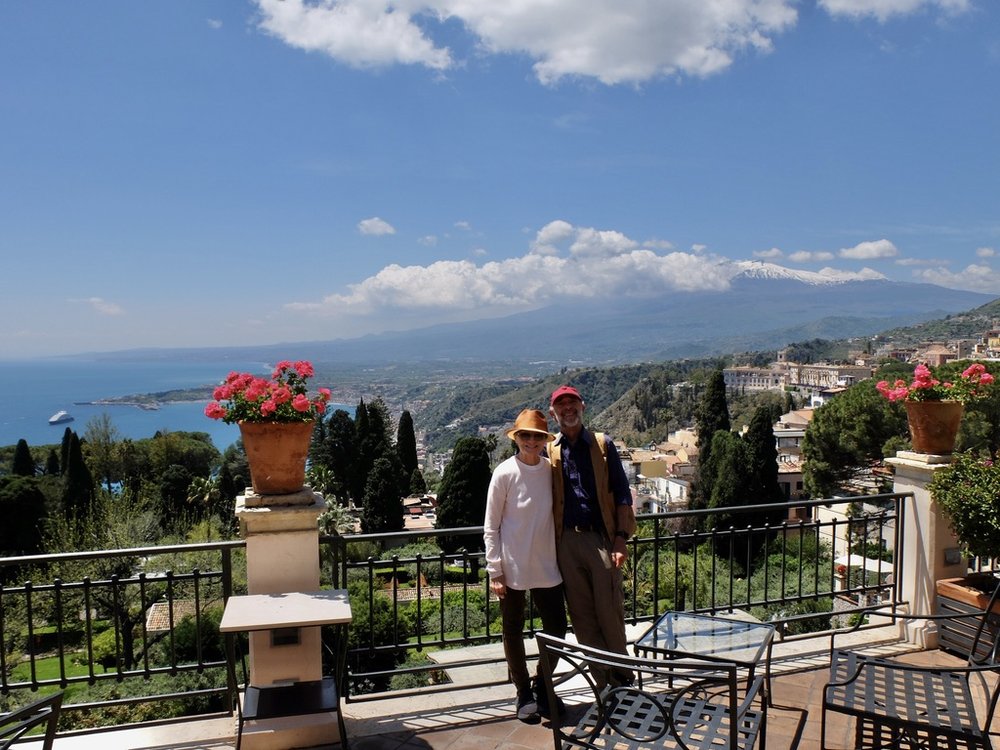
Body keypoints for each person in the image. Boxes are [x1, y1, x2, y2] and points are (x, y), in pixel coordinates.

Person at [548, 385, 635, 687]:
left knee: (610, 613)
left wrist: (621, 539)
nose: (568, 409)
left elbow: (623, 495)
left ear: (583, 407)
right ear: (553, 413)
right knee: (583, 620)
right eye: (562, 406)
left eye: (572, 404)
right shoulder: (551, 449)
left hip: (600, 540)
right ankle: (603, 685)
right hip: (566, 543)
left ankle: (623, 682)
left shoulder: (602, 444)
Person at [483, 408, 568, 721]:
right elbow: (491, 526)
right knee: (512, 629)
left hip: (547, 565)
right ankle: (523, 691)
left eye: (537, 435)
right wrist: (495, 570)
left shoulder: (551, 470)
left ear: (545, 440)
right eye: (525, 435)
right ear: (516, 438)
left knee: (557, 627)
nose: (531, 441)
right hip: (512, 567)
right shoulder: (504, 473)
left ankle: (544, 684)